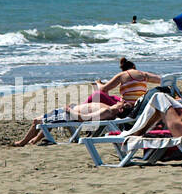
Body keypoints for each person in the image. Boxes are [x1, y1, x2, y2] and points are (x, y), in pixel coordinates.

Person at [13, 58, 161, 146]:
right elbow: (161, 80)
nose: (121, 102)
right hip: (76, 110)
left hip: (71, 113)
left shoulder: (110, 108)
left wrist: (97, 84)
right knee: (50, 119)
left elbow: (102, 92)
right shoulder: (144, 75)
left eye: (122, 104)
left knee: (38, 120)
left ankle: (24, 142)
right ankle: (36, 138)